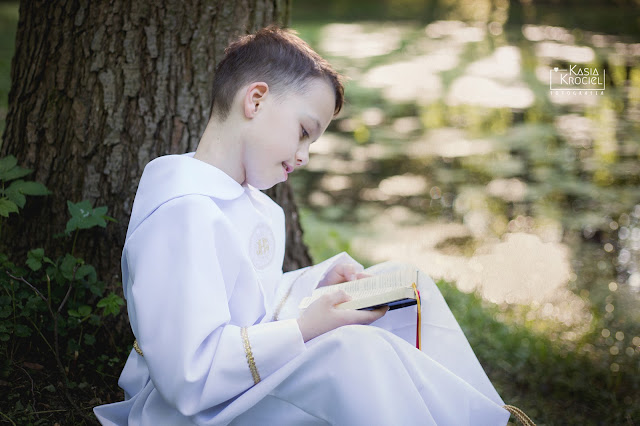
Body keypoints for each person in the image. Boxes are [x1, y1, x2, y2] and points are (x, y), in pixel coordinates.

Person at [93, 26, 512, 425]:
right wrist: (308, 326)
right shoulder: (182, 212)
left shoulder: (254, 205)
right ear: (255, 100)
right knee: (353, 351)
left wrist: (315, 282)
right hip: (202, 409)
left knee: (406, 282)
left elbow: (247, 303)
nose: (305, 155)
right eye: (304, 132)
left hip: (242, 380)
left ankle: (480, 418)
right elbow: (190, 374)